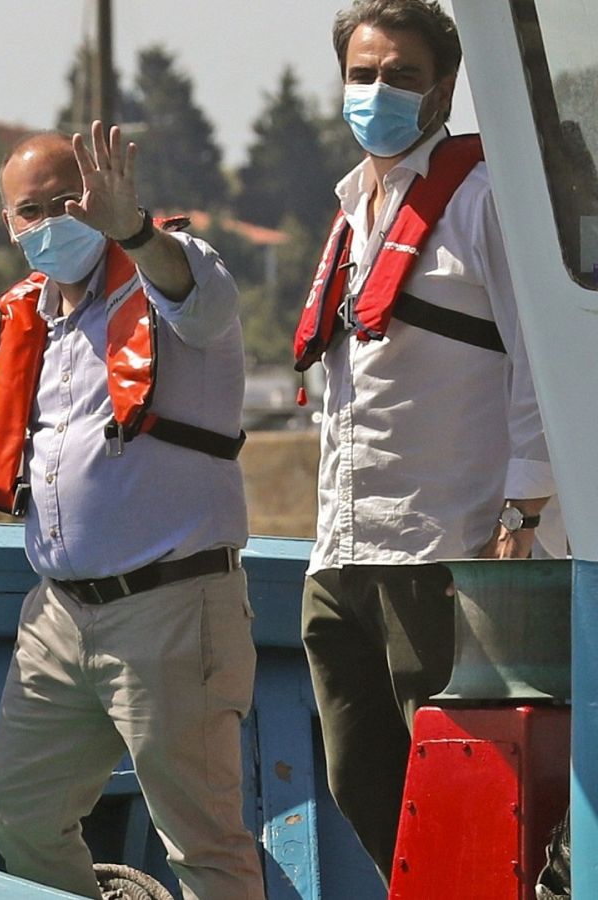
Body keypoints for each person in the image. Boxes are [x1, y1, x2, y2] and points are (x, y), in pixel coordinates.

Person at [294, 0, 560, 881]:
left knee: (466, 781)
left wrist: (522, 512)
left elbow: (542, 360)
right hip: (342, 554)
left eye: (402, 76)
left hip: (446, 548)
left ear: (444, 88)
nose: (378, 92)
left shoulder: (483, 201)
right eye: (363, 74)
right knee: (360, 779)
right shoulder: (351, 212)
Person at [0, 124, 263, 899]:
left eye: (67, 201)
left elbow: (200, 303)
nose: (50, 223)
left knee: (203, 841)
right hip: (58, 617)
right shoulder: (33, 317)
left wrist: (132, 229)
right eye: (29, 211)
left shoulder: (172, 275)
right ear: (9, 225)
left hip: (172, 607)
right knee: (21, 817)